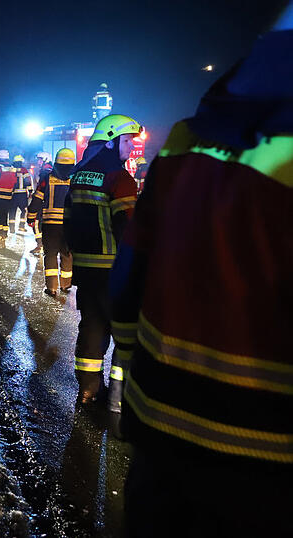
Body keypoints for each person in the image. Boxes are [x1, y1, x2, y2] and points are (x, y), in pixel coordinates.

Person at [112, 7, 293, 535]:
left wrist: (133, 359)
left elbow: (130, 272)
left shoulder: (187, 140)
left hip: (160, 426)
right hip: (269, 457)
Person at [63, 113, 141, 405]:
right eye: (127, 140)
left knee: (92, 328)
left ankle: (88, 390)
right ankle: (120, 397)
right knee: (125, 332)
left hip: (86, 270)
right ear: (110, 142)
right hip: (113, 271)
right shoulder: (120, 178)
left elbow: (68, 220)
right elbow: (128, 228)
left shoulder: (79, 175)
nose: (131, 146)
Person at [27, 148, 74, 297]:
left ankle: (52, 287)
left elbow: (37, 199)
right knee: (67, 254)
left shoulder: (47, 178)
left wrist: (31, 216)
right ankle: (66, 284)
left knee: (51, 254)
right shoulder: (75, 179)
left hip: (50, 225)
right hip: (69, 224)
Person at [29, 152, 53, 254]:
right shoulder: (51, 171)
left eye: (40, 160)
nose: (38, 162)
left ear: (45, 160)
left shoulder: (45, 173)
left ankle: (40, 245)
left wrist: (34, 205)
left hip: (42, 203)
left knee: (36, 223)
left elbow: (41, 191)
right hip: (49, 203)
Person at [10, 154, 34, 233]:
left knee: (12, 211)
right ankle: (21, 226)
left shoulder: (11, 169)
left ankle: (12, 228)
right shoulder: (24, 170)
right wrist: (30, 191)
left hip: (12, 194)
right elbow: (28, 181)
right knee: (24, 210)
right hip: (22, 194)